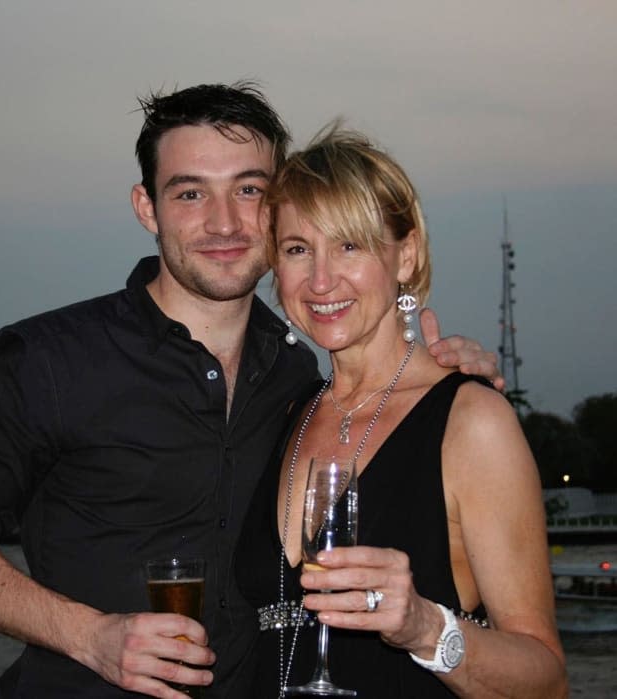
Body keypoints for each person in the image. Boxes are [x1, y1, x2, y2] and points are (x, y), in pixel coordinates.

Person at [0, 83, 501, 699]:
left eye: (249, 190)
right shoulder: (51, 360)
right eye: (190, 192)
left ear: (280, 206)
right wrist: (91, 636)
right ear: (148, 208)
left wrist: (437, 373)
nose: (223, 222)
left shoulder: (299, 378)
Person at [236, 126, 568, 697]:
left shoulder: (471, 423)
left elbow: (547, 679)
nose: (320, 279)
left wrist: (423, 627)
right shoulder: (286, 411)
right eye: (297, 249)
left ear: (406, 256)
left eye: (349, 245)